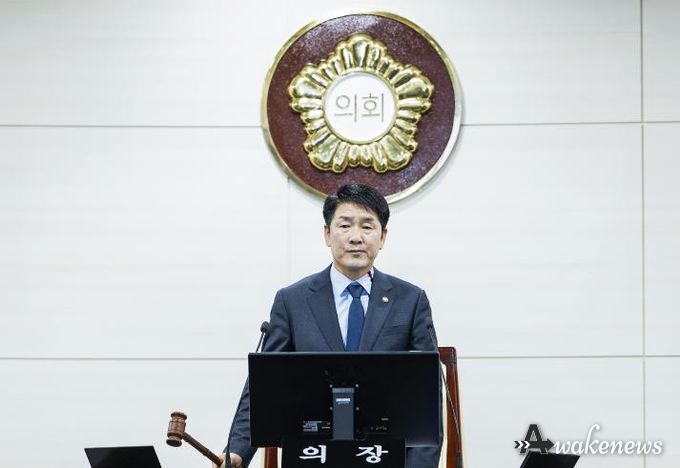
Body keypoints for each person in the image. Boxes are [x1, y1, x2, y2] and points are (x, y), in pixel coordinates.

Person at [217, 183, 441, 468]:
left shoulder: (410, 300)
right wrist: (237, 451)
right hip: (312, 455)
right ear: (327, 234)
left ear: (383, 237)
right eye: (344, 226)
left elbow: (426, 397)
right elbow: (263, 387)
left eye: (367, 226)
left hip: (384, 457)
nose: (356, 237)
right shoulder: (292, 301)